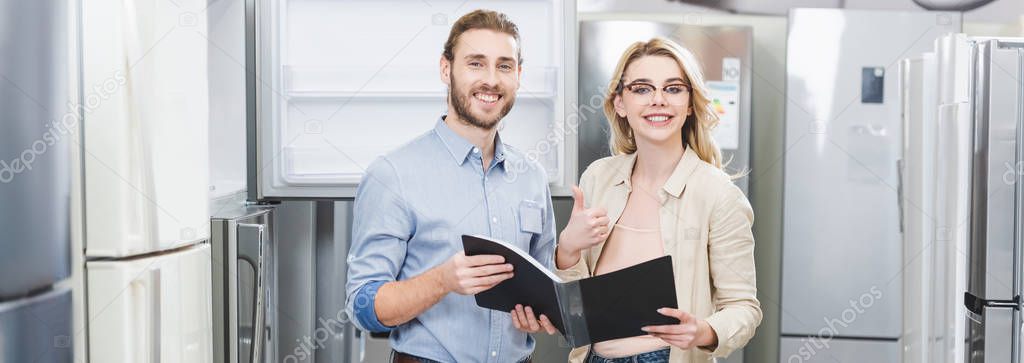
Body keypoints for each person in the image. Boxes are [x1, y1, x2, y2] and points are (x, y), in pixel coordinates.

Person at [344, 9, 558, 363]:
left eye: (504, 66)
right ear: (446, 69)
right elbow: (363, 305)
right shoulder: (393, 174)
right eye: (476, 63)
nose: (491, 80)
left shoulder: (531, 177)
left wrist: (542, 309)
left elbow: (543, 286)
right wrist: (443, 280)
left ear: (518, 76)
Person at [553, 37, 762, 363]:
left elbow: (743, 308)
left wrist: (703, 331)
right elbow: (575, 310)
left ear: (690, 103)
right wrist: (567, 250)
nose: (658, 100)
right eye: (642, 89)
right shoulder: (598, 178)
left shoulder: (717, 194)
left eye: (673, 88)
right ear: (620, 103)